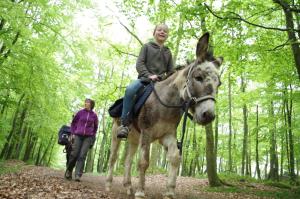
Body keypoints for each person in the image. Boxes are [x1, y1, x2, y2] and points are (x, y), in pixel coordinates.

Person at [117, 24, 174, 139]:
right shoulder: (147, 47)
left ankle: (169, 129)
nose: (162, 32)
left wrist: (168, 80)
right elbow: (140, 64)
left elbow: (171, 71)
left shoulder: (168, 52)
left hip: (161, 83)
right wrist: (149, 75)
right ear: (154, 33)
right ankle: (124, 124)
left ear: (167, 35)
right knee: (130, 90)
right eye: (159, 30)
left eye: (165, 31)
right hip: (144, 80)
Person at [64, 98, 98, 181]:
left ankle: (78, 175)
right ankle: (69, 171)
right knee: (74, 154)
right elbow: (73, 123)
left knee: (82, 156)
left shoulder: (94, 115)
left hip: (88, 137)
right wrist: (73, 133)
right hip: (78, 135)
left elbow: (95, 127)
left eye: (87, 102)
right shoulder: (80, 113)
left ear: (91, 105)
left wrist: (92, 135)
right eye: (85, 102)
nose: (85, 103)